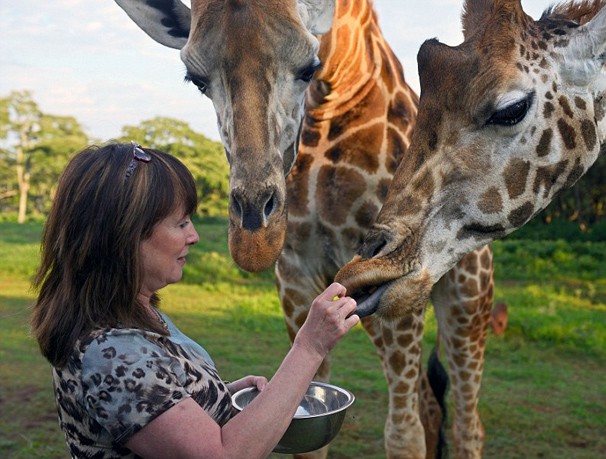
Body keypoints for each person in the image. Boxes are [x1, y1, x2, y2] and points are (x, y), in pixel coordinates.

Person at [30, 142, 360, 459]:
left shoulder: (130, 314)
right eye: (181, 223)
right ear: (126, 235)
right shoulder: (110, 354)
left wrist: (218, 395)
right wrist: (310, 346)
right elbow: (222, 455)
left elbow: (154, 400)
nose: (194, 236)